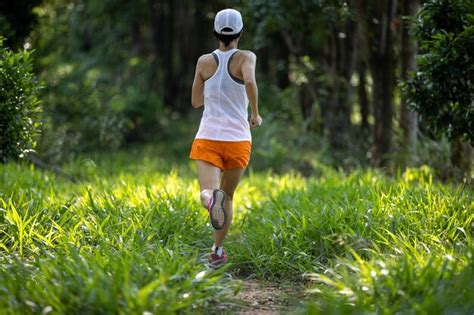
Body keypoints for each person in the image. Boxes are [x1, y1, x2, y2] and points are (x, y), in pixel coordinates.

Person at [189, 8, 262, 267]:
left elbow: (196, 102)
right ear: (241, 32)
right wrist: (255, 113)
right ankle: (217, 251)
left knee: (208, 191)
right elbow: (250, 82)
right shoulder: (246, 58)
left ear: (215, 33)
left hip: (208, 136)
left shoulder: (204, 62)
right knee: (228, 197)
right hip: (238, 139)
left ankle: (210, 201)